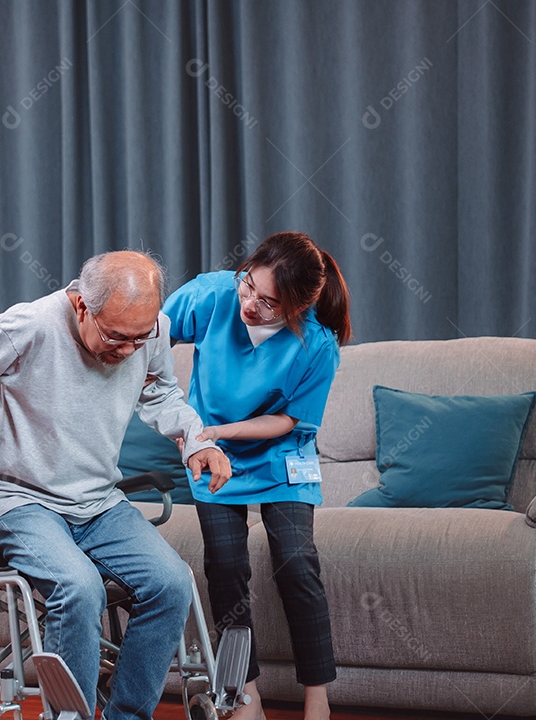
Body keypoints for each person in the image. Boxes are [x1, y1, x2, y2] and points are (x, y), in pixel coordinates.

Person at [0, 250, 232, 720]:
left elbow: (159, 391)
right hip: (22, 500)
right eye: (116, 337)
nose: (128, 350)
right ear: (83, 306)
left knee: (172, 583)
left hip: (99, 502)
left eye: (140, 338)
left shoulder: (150, 329)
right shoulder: (31, 325)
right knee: (79, 587)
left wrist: (194, 441)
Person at [162, 231, 352, 720]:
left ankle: (318, 699)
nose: (250, 304)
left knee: (296, 562)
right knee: (226, 568)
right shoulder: (212, 295)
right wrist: (175, 417)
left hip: (280, 456)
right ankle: (245, 694)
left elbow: (287, 421)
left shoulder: (317, 344)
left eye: (269, 303)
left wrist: (219, 430)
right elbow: (149, 337)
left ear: (297, 307)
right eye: (248, 286)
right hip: (213, 454)